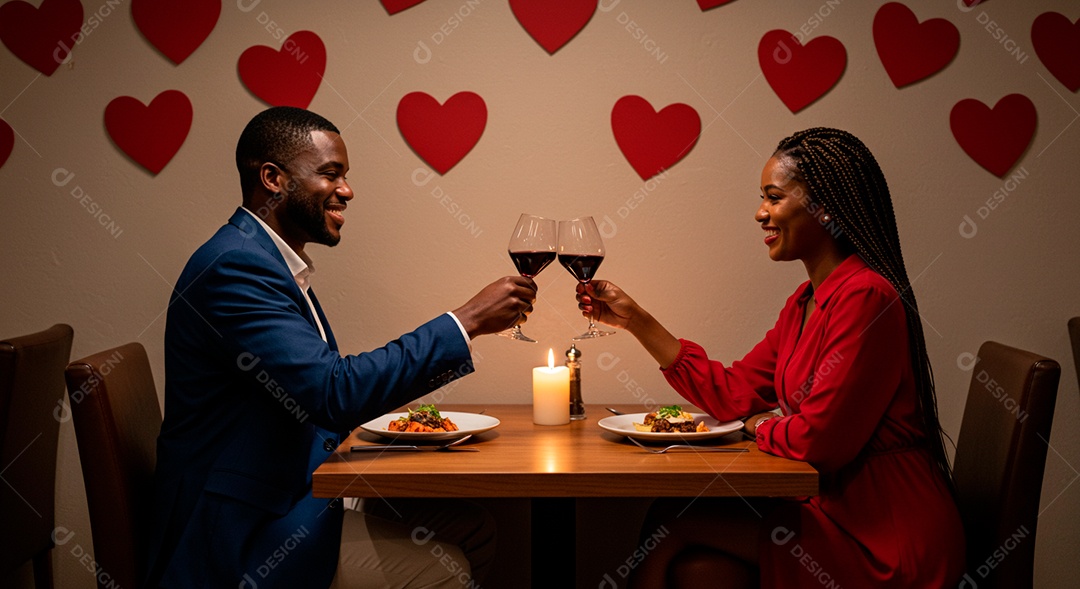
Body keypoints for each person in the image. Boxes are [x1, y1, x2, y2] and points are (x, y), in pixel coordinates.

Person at [145, 106, 537, 588]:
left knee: (472, 527)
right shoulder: (236, 267)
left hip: (283, 491)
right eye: (331, 174)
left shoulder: (266, 259)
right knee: (445, 568)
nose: (347, 190)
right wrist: (467, 321)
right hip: (239, 536)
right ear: (273, 178)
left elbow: (319, 392)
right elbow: (333, 392)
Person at [576, 128, 965, 588]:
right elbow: (734, 392)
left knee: (671, 519)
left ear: (824, 207)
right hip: (832, 512)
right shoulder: (806, 301)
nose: (760, 213)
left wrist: (759, 425)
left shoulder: (866, 297)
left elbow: (818, 442)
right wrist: (636, 320)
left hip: (884, 538)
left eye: (774, 197)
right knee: (694, 567)